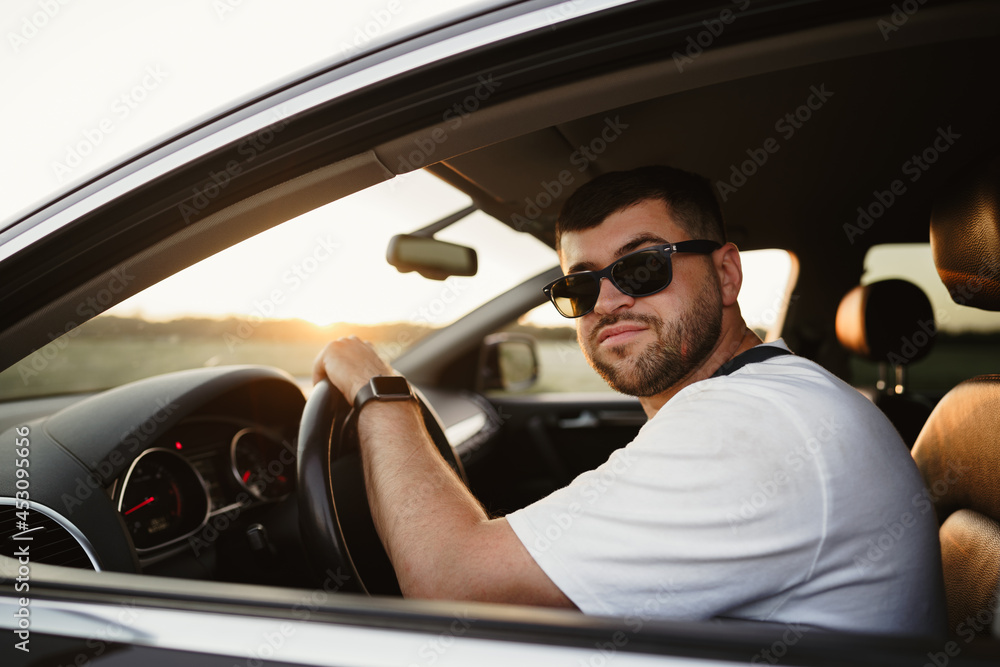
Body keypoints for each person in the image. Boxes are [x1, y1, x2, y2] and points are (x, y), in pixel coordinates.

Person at [313, 165, 945, 636]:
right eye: (580, 286)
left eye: (641, 267)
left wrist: (380, 386)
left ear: (726, 274)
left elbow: (451, 584)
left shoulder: (747, 427)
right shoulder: (776, 396)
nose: (609, 301)